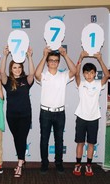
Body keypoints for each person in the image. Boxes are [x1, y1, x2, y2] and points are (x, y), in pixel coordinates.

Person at [35, 46, 77, 174]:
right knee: (44, 139)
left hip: (60, 113)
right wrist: (44, 55)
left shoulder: (63, 75)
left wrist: (65, 55)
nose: (53, 62)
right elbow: (36, 74)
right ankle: (44, 163)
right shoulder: (43, 75)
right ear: (47, 62)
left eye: (55, 60)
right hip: (45, 112)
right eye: (51, 60)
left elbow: (74, 71)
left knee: (59, 139)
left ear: (58, 62)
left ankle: (59, 163)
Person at [72, 51, 110, 176]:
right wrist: (81, 57)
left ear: (94, 74)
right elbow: (75, 73)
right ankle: (78, 164)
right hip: (81, 117)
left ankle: (88, 165)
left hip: (94, 118)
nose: (89, 75)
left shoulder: (98, 84)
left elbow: (107, 75)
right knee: (80, 143)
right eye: (87, 73)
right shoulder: (81, 83)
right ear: (84, 74)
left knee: (91, 143)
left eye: (91, 73)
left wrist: (100, 59)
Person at [0, 46, 35, 178]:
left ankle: (19, 164)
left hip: (25, 115)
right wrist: (5, 55)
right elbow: (2, 72)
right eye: (14, 67)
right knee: (17, 138)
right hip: (11, 116)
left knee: (22, 138)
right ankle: (22, 159)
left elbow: (32, 73)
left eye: (19, 67)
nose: (17, 69)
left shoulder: (26, 80)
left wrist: (29, 57)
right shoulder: (7, 81)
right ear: (11, 69)